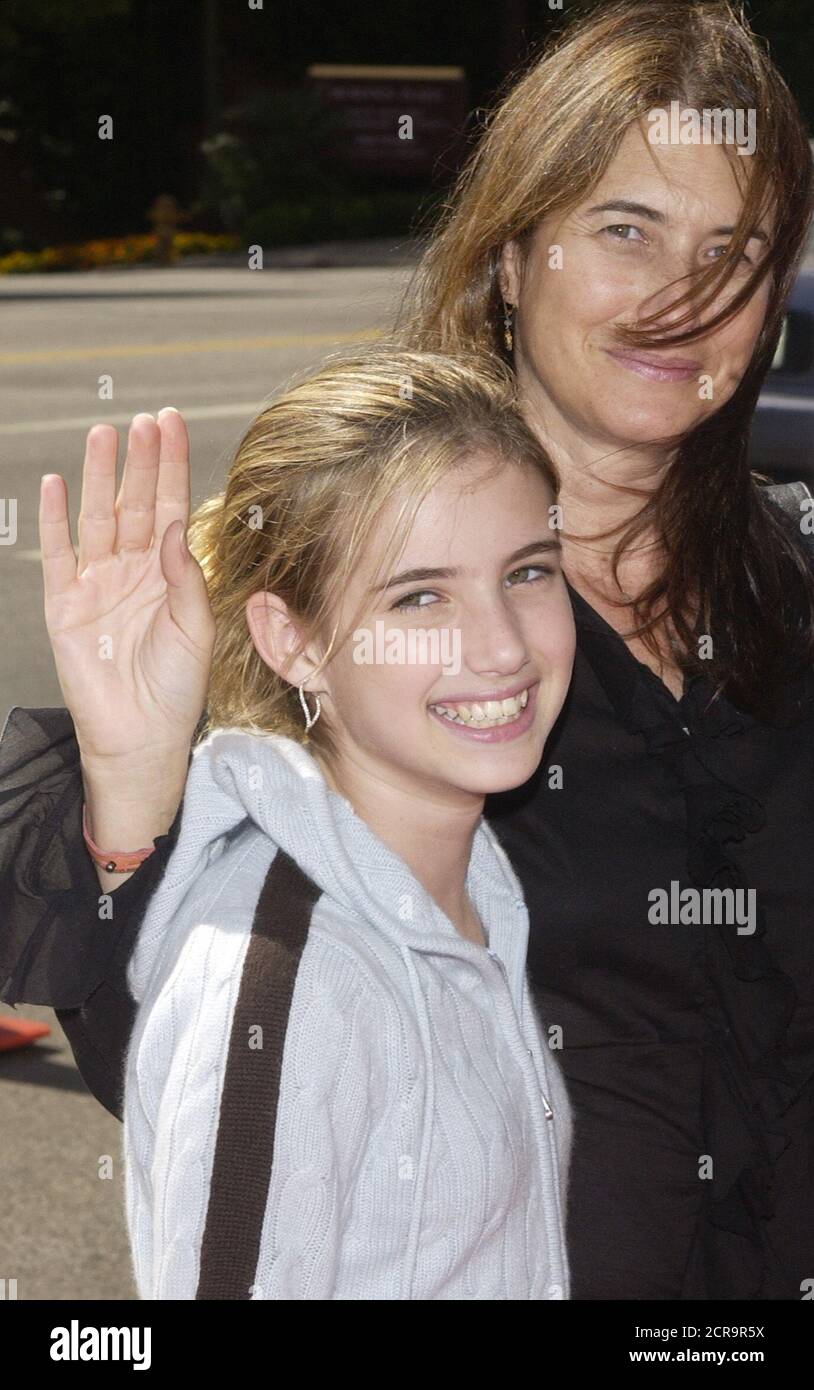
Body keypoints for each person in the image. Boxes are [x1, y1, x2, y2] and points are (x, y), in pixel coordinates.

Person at [2, 0, 814, 1299]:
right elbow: (177, 1040)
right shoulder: (344, 594)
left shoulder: (789, 585)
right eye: (624, 230)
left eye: (734, 244)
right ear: (510, 254)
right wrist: (135, 804)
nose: (681, 296)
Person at [10, 346, 577, 1300]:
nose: (502, 646)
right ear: (293, 640)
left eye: (527, 572)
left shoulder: (472, 884)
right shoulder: (298, 977)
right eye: (420, 596)